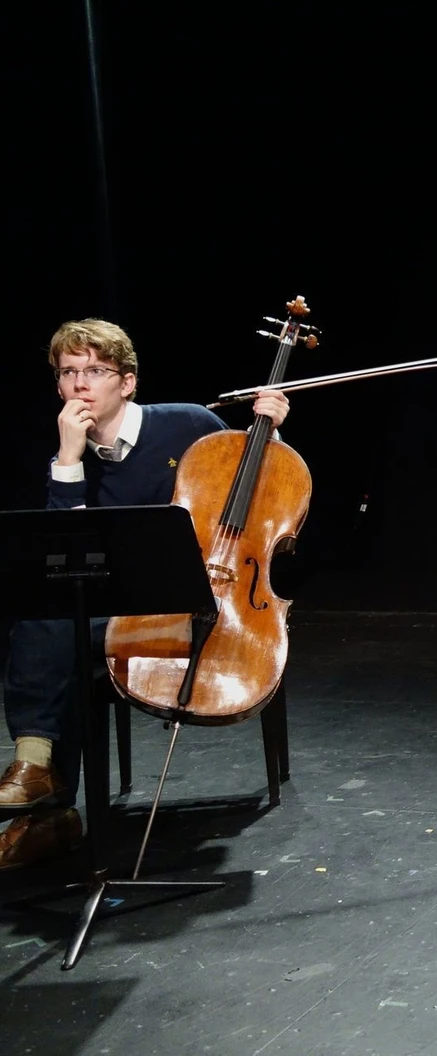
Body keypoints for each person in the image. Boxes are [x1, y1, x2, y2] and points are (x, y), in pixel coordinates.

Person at [0, 318, 290, 870]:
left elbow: (264, 487)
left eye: (95, 371)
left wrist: (268, 432)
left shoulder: (188, 423)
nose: (80, 384)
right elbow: (69, 551)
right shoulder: (70, 453)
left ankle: (49, 814)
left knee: (60, 629)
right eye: (68, 373)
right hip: (119, 604)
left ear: (127, 382)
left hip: (204, 595)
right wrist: (67, 460)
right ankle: (36, 773)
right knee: (49, 611)